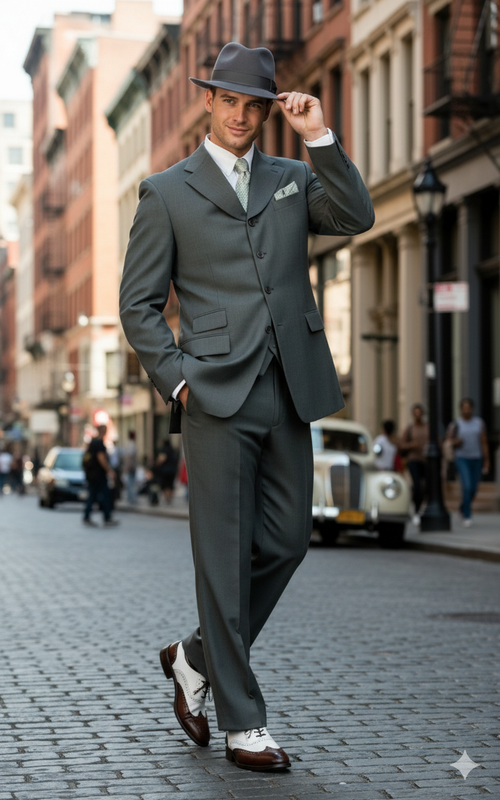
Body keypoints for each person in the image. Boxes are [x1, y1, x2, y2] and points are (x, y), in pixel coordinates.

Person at [120, 42, 374, 771]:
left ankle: (192, 658)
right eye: (228, 100)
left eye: (253, 104)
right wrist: (177, 378)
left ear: (266, 110)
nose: (239, 114)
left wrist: (319, 137)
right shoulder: (165, 192)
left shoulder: (294, 179)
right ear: (208, 101)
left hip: (289, 384)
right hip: (214, 395)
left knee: (289, 541)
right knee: (224, 561)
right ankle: (243, 722)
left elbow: (356, 214)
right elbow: (138, 305)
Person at [446, 398, 490, 527]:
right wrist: (456, 442)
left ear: (472, 408)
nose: (466, 410)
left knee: (474, 488)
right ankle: (467, 515)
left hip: (476, 458)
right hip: (462, 458)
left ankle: (462, 507)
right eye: (464, 407)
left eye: (468, 407)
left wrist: (487, 460)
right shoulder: (455, 424)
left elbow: (484, 442)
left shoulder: (479, 423)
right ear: (460, 409)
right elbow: (448, 441)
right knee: (467, 486)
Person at [82, 425, 120, 527]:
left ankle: (87, 516)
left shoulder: (93, 442)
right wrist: (109, 470)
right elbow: (101, 458)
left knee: (92, 496)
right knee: (105, 495)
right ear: (102, 431)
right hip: (98, 475)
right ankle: (106, 517)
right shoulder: (99, 443)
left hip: (93, 475)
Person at [400, 403, 429, 527]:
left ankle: (421, 507)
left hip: (426, 460)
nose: (418, 415)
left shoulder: (428, 427)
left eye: (419, 412)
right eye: (415, 413)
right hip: (413, 460)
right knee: (417, 485)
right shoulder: (410, 428)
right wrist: (411, 445)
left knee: (425, 486)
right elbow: (401, 445)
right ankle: (416, 510)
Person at [154, 438, 179, 504]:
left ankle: (168, 498)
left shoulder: (164, 450)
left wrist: (156, 464)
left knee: (165, 485)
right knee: (170, 485)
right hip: (172, 470)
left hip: (165, 471)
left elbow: (161, 459)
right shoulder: (172, 450)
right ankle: (170, 498)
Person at [122, 430, 138, 505]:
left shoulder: (128, 444)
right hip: (131, 467)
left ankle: (130, 497)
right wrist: (128, 466)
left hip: (129, 466)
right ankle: (131, 498)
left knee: (129, 482)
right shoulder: (132, 444)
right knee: (131, 483)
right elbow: (130, 457)